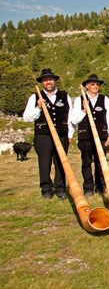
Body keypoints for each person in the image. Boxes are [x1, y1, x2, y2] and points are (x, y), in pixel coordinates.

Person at [23, 69, 73, 200]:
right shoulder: (35, 97)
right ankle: (46, 189)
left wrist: (70, 135)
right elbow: (27, 118)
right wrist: (38, 107)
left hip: (61, 134)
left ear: (54, 80)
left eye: (50, 79)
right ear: (42, 83)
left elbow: (70, 116)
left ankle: (60, 189)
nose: (48, 82)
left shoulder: (64, 95)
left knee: (61, 162)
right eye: (45, 80)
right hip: (43, 135)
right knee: (44, 163)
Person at [70, 74, 109, 196]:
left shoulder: (104, 99)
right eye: (92, 84)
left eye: (97, 84)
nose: (95, 86)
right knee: (86, 163)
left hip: (101, 137)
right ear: (87, 86)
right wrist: (84, 110)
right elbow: (74, 120)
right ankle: (88, 188)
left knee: (101, 163)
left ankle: (101, 187)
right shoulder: (80, 100)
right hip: (85, 137)